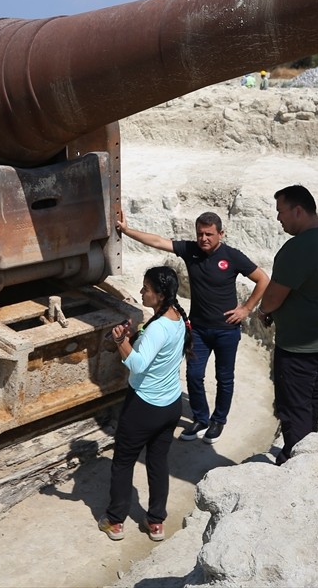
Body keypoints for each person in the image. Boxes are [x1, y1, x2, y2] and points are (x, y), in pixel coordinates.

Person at [117, 209, 269, 444]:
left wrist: (246, 309)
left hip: (226, 330)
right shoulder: (191, 250)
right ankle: (201, 418)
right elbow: (158, 241)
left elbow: (263, 279)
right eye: (200, 234)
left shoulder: (232, 256)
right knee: (194, 375)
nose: (203, 239)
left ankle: (218, 420)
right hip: (198, 329)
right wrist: (127, 231)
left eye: (209, 234)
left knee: (224, 378)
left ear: (221, 234)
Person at [98, 266, 192, 543]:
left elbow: (138, 365)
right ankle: (155, 522)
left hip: (144, 406)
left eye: (146, 289)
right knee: (158, 462)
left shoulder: (158, 328)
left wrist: (120, 341)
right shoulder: (176, 318)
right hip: (171, 404)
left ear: (160, 294)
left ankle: (115, 521)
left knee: (123, 462)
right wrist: (135, 338)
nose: (141, 292)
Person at [255, 185, 318, 465]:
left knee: (294, 407)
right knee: (316, 398)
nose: (278, 218)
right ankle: (317, 450)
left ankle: (297, 460)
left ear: (298, 211)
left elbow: (273, 296)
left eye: (280, 212)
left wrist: (263, 311)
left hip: (299, 346)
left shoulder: (299, 247)